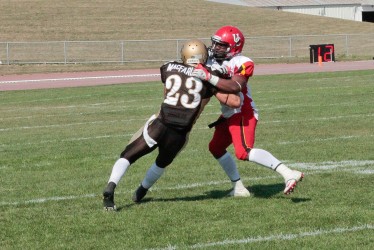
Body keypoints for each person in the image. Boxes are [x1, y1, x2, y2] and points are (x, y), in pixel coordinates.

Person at [102, 39, 241, 210]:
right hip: (180, 132)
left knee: (128, 156)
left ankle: (111, 186)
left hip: (160, 124)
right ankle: (142, 190)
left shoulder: (169, 67)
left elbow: (168, 92)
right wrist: (216, 81)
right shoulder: (209, 76)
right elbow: (234, 102)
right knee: (161, 162)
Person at [192, 26, 304, 197]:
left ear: (234, 47)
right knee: (216, 147)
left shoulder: (242, 62)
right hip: (229, 113)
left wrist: (208, 76)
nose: (215, 48)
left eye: (221, 45)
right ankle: (239, 188)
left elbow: (236, 85)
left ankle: (289, 173)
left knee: (244, 151)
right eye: (215, 44)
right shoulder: (211, 61)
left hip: (243, 111)